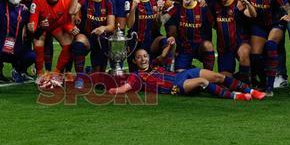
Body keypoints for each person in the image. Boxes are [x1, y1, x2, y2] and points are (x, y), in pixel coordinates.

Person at [108, 49, 265, 101]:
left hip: (184, 75)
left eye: (144, 56)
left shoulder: (156, 65)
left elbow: (167, 53)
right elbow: (126, 87)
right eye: (139, 57)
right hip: (176, 87)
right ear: (134, 61)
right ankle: (235, 96)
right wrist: (115, 90)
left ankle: (251, 91)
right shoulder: (137, 76)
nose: (142, 59)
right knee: (202, 81)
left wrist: (170, 44)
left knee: (218, 77)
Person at [238, 0, 290, 96]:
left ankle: (270, 87)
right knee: (256, 55)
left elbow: (287, 6)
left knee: (271, 45)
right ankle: (263, 82)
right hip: (259, 25)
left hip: (275, 23)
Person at [28, 0, 79, 76]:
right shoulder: (37, 1)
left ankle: (57, 72)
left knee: (68, 42)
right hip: (42, 28)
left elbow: (67, 23)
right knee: (38, 42)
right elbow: (32, 24)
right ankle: (39, 72)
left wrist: (71, 28)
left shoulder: (66, 0)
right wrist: (37, 26)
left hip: (56, 27)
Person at [69, 0, 116, 77]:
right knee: (78, 45)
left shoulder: (109, 1)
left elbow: (111, 26)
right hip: (87, 36)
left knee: (98, 77)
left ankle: (94, 70)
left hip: (101, 39)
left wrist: (103, 28)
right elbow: (71, 11)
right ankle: (80, 77)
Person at [165, 0, 214, 72]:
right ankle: (193, 69)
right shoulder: (176, 9)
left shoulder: (203, 8)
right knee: (180, 73)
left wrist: (206, 45)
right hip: (184, 49)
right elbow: (164, 22)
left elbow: (209, 29)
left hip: (199, 46)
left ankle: (208, 74)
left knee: (208, 45)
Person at [126, 0, 174, 67]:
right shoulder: (130, 1)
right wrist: (133, 8)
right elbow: (129, 25)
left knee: (168, 43)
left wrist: (162, 15)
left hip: (153, 41)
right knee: (137, 75)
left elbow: (174, 6)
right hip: (136, 42)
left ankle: (167, 69)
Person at [210, 0, 252, 77]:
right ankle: (239, 77)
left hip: (240, 42)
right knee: (226, 80)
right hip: (224, 47)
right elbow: (212, 23)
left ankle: (246, 81)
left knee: (244, 52)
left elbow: (251, 17)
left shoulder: (239, 3)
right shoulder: (214, 5)